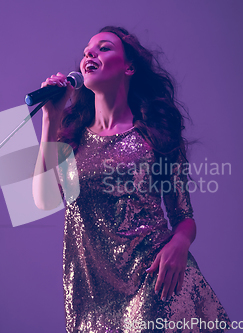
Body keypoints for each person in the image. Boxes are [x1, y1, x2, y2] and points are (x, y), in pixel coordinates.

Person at [33, 26, 230, 333]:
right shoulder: (70, 135)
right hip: (94, 295)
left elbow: (184, 216)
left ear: (129, 67)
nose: (89, 52)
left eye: (104, 47)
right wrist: (50, 118)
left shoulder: (155, 134)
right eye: (87, 49)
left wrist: (179, 243)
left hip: (155, 277)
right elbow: (44, 200)